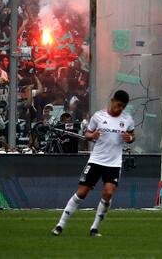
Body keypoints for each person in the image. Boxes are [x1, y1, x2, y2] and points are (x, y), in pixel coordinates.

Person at [51, 90, 135, 237]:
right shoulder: (98, 116)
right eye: (119, 105)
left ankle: (94, 228)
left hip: (114, 163)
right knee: (82, 193)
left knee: (108, 192)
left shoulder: (127, 119)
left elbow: (132, 135)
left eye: (123, 107)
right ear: (113, 101)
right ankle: (60, 225)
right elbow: (87, 134)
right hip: (96, 160)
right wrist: (93, 135)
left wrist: (130, 138)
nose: (120, 109)